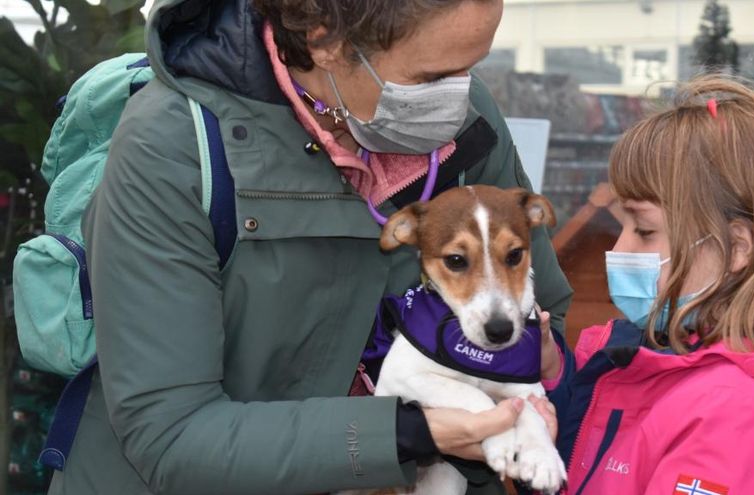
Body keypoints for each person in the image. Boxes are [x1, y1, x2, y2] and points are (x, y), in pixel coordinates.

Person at [48, 0, 573, 493]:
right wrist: (409, 432)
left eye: (473, 66)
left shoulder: (469, 122)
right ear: (324, 38)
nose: (459, 96)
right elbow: (170, 433)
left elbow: (547, 313)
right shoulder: (171, 147)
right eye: (432, 77)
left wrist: (531, 365)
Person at [545, 76, 754, 495]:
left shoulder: (743, 421)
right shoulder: (669, 358)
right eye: (622, 225)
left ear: (738, 248)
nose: (619, 247)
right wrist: (554, 381)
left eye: (644, 230)